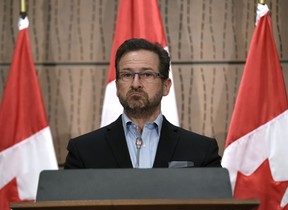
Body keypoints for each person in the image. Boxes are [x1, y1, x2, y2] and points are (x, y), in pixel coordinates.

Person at [64, 38, 221, 169]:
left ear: (166, 86)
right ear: (117, 85)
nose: (136, 84)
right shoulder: (83, 151)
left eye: (147, 74)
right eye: (127, 75)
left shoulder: (201, 150)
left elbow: (215, 204)